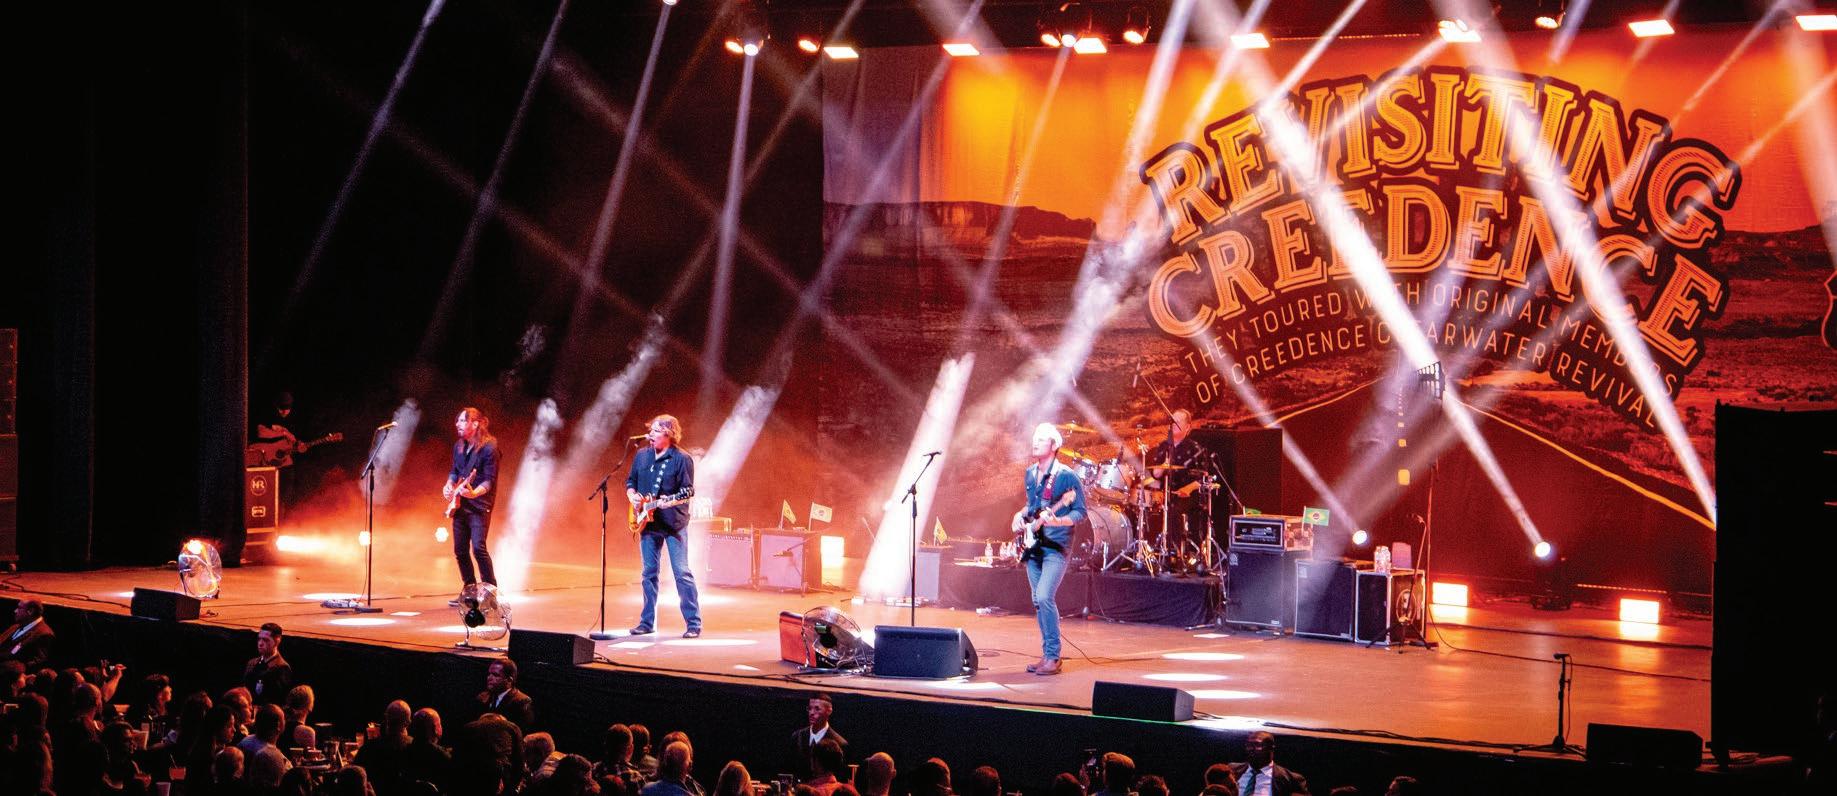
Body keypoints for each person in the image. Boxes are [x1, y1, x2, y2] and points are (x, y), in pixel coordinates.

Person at [1010, 423, 1086, 676]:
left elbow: (1080, 512)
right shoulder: (1030, 473)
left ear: (1054, 446)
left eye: (1042, 439)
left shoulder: (1066, 476)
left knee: (1044, 596)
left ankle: (1053, 656)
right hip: (1034, 544)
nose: (1035, 442)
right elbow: (1032, 506)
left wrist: (1059, 521)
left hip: (1056, 545)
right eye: (1035, 438)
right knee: (1037, 600)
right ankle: (1047, 655)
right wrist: (1019, 515)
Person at [625, 414, 701, 638]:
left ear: (669, 434)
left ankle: (693, 623)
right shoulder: (642, 455)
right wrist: (632, 496)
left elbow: (687, 491)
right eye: (651, 430)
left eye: (656, 431)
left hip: (674, 524)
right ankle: (647, 622)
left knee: (681, 573)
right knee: (648, 573)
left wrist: (671, 501)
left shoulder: (682, 459)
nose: (650, 435)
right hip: (648, 524)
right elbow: (630, 481)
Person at [444, 407, 502, 600]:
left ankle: (490, 592)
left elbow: (489, 480)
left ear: (475, 424)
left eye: (462, 420)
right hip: (461, 505)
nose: (457, 424)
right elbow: (455, 470)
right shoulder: (459, 446)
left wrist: (474, 493)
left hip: (480, 506)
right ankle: (469, 591)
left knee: (478, 548)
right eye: (457, 420)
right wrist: (449, 484)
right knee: (460, 550)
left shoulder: (489, 448)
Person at [1143, 409, 1211, 564]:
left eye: (1178, 422)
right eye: (1172, 421)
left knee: (1173, 510)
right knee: (1148, 508)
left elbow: (1203, 477)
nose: (1174, 424)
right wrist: (1164, 465)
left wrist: (1188, 489)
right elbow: (1156, 474)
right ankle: (1154, 551)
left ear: (1188, 427)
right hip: (1167, 493)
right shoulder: (1164, 446)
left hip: (1189, 495)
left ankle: (1177, 552)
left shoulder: (1195, 449)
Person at [1230, 732, 1309, 796]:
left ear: (1271, 748)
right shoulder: (1231, 770)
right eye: (1249, 745)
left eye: (1257, 745)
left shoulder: (1291, 779)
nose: (1251, 749)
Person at [791, 693, 846, 781]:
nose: (811, 713)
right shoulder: (797, 737)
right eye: (809, 708)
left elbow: (839, 778)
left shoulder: (839, 743)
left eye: (817, 709)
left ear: (829, 711)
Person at [477, 657, 535, 731]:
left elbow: (522, 731)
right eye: (489, 674)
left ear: (509, 680)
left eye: (496, 675)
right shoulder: (482, 697)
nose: (489, 678)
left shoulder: (522, 702)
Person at [243, 623, 293, 705]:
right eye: (259, 639)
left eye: (265, 640)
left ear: (277, 641)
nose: (260, 643)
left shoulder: (282, 668)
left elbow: (278, 700)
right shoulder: (251, 663)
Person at [1, 599, 56, 670]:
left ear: (30, 611)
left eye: (19, 608)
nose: (15, 611)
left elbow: (37, 662)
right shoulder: (14, 627)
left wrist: (11, 670)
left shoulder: (44, 634)